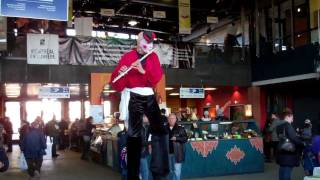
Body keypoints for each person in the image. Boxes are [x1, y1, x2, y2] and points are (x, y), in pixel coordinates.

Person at [110, 31, 169, 180]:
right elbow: (116, 85)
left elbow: (156, 78)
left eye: (150, 44)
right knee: (134, 137)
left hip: (149, 95)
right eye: (145, 43)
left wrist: (143, 71)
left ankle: (160, 171)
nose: (147, 47)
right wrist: (121, 73)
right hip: (133, 96)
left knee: (160, 131)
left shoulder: (153, 56)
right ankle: (133, 175)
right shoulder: (127, 57)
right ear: (138, 41)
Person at [276, 108, 305, 180]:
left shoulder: (279, 126)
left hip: (281, 150)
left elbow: (282, 137)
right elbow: (294, 138)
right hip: (289, 152)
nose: (293, 119)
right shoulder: (288, 126)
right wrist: (302, 143)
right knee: (287, 171)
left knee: (282, 169)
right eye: (292, 117)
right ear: (289, 116)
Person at [167, 113, 188, 180]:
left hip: (177, 153)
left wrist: (177, 138)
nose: (171, 120)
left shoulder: (180, 128)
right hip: (167, 154)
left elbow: (185, 139)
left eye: (173, 118)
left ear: (176, 119)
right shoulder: (164, 128)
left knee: (177, 171)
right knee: (171, 171)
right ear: (168, 119)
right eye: (170, 118)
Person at [140, 115, 150, 180]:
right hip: (140, 152)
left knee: (143, 171)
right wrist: (150, 143)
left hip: (143, 152)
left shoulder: (146, 127)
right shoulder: (139, 128)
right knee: (145, 171)